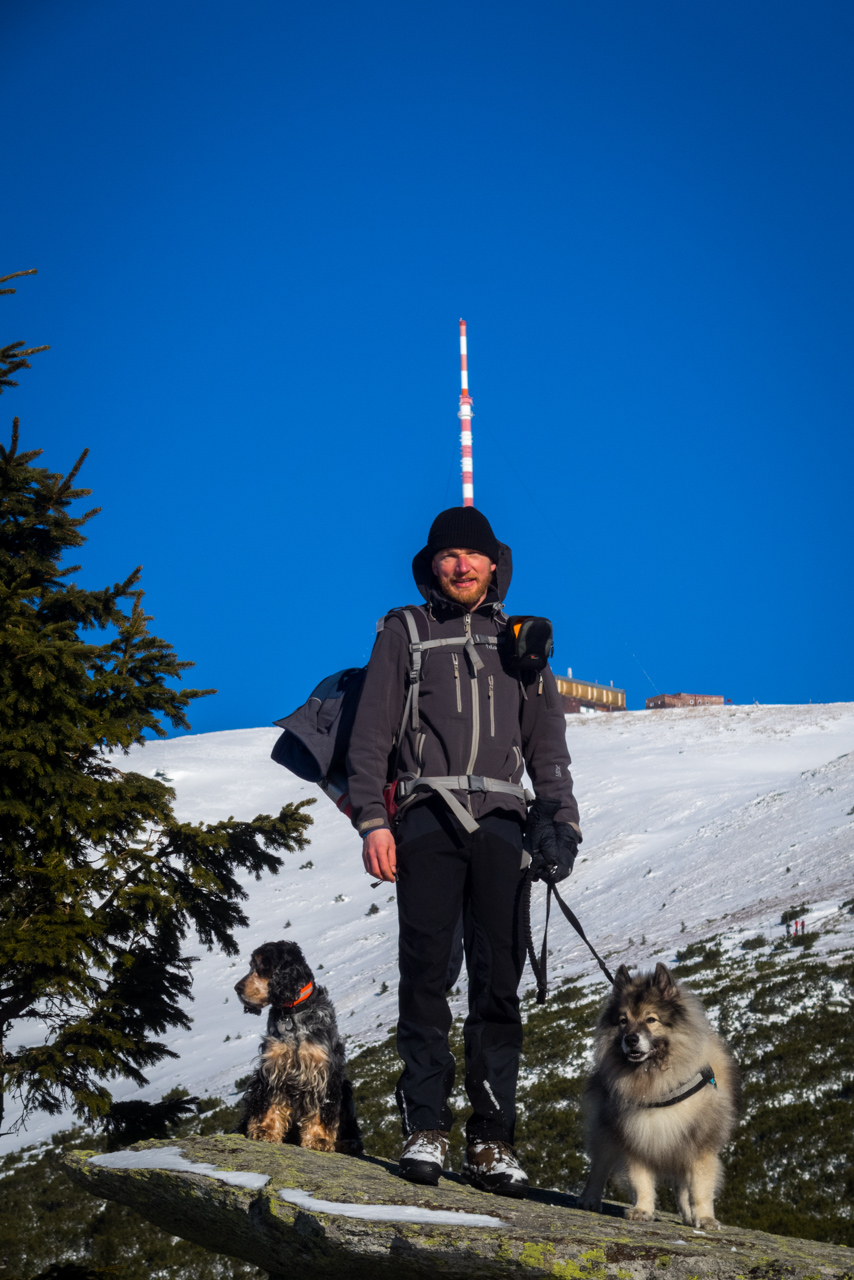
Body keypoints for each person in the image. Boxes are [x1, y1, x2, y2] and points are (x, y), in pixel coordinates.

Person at [346, 506, 582, 1197]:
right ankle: (425, 1127)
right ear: (432, 567)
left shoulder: (521, 642)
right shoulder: (405, 632)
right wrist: (372, 821)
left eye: (471, 556)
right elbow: (371, 737)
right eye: (447, 555)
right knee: (425, 974)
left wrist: (559, 822)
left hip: (505, 824)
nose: (460, 565)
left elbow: (548, 747)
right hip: (425, 817)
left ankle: (492, 1140)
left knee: (497, 984)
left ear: (492, 564)